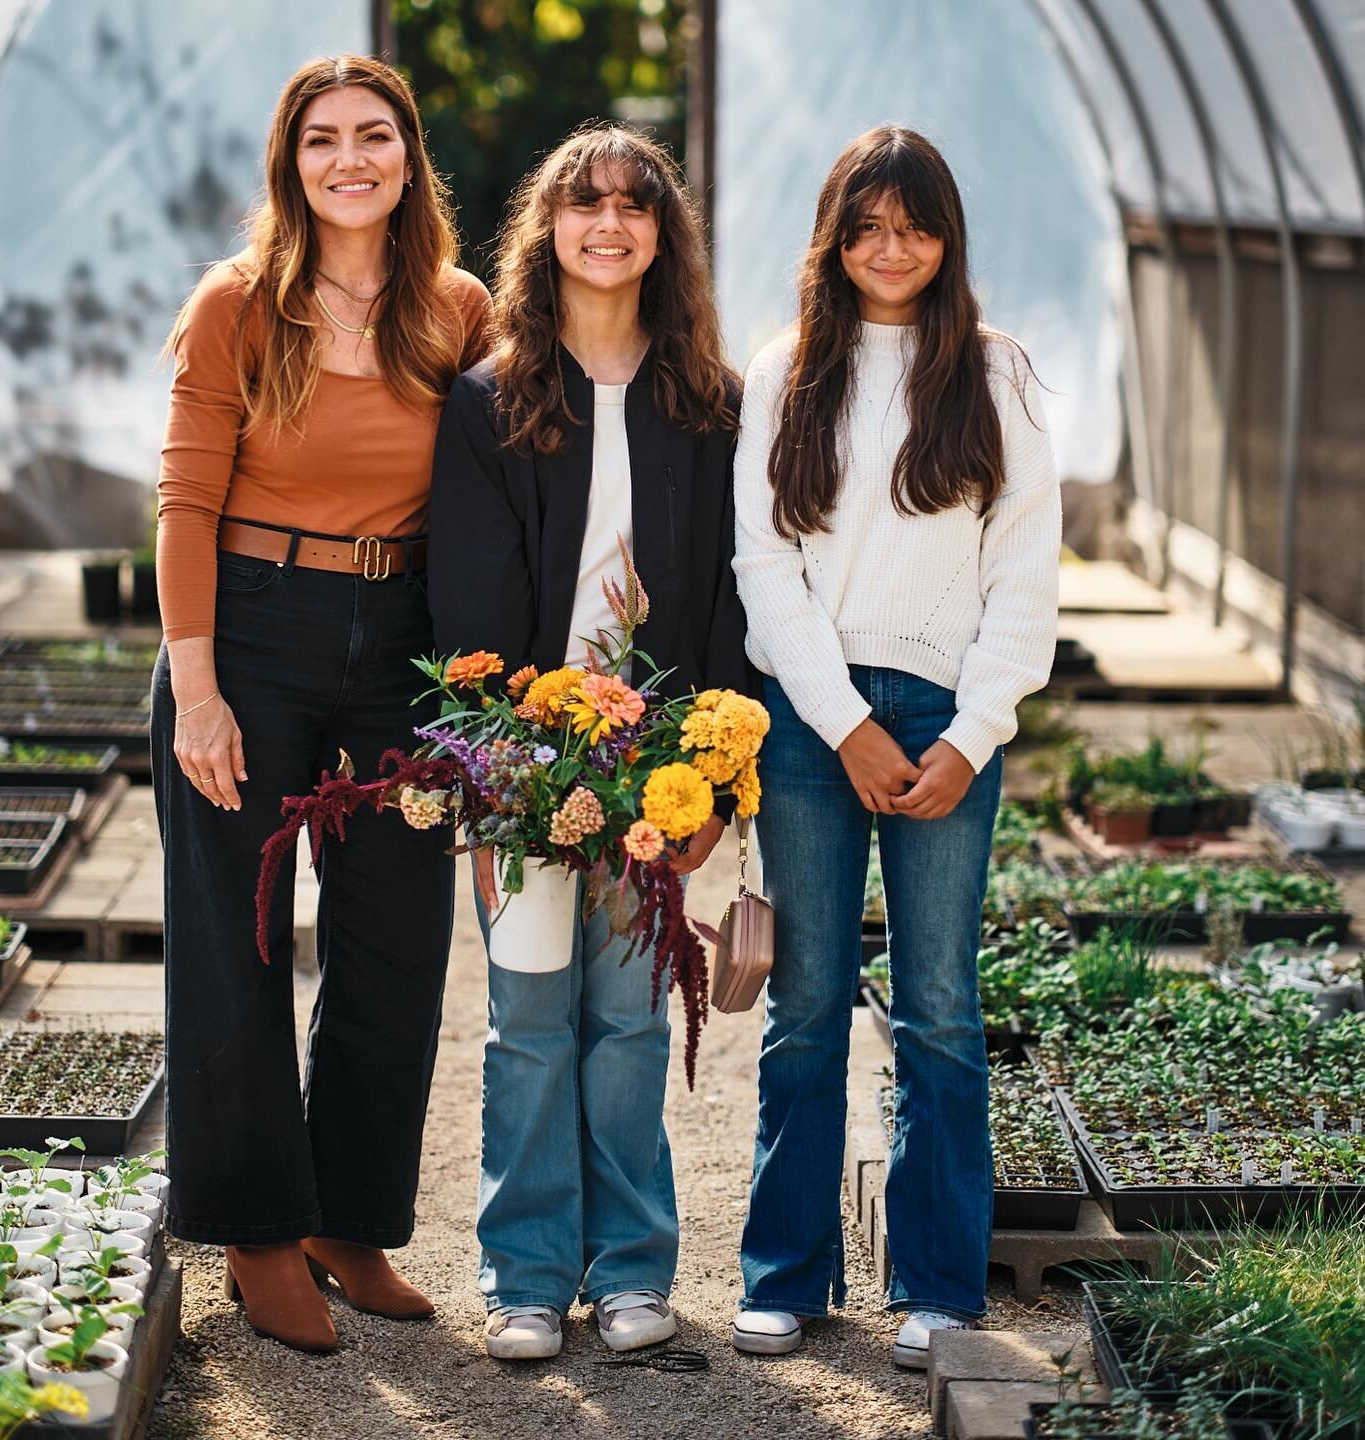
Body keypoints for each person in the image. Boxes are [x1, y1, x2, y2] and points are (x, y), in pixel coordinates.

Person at [152, 54, 490, 1354]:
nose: (351, 159)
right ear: (290, 166)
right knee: (236, 935)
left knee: (396, 933)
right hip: (248, 629)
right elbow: (183, 501)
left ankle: (351, 1220)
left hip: (402, 636)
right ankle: (254, 1229)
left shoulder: (457, 307)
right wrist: (196, 692)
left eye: (376, 136)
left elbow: (528, 462)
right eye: (322, 141)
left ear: (410, 157)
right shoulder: (235, 306)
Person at [729, 125, 1060, 1366]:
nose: (891, 248)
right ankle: (786, 1275)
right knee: (806, 1004)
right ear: (834, 238)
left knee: (938, 1009)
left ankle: (938, 1289)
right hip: (818, 730)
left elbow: (1027, 581)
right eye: (865, 226)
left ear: (947, 237)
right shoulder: (785, 371)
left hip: (949, 723)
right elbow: (765, 569)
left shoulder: (999, 372)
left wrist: (972, 735)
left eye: (914, 226)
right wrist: (847, 724)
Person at [429, 124, 750, 1361]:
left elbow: (726, 602)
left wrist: (713, 778)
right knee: (524, 1019)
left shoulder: (706, 411)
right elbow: (469, 605)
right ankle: (524, 1275)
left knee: (626, 1020)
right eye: (583, 204)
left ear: (663, 238)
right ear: (548, 229)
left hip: (656, 773)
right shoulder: (490, 401)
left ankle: (628, 1271)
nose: (607, 224)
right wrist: (518, 768)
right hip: (526, 774)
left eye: (634, 206)